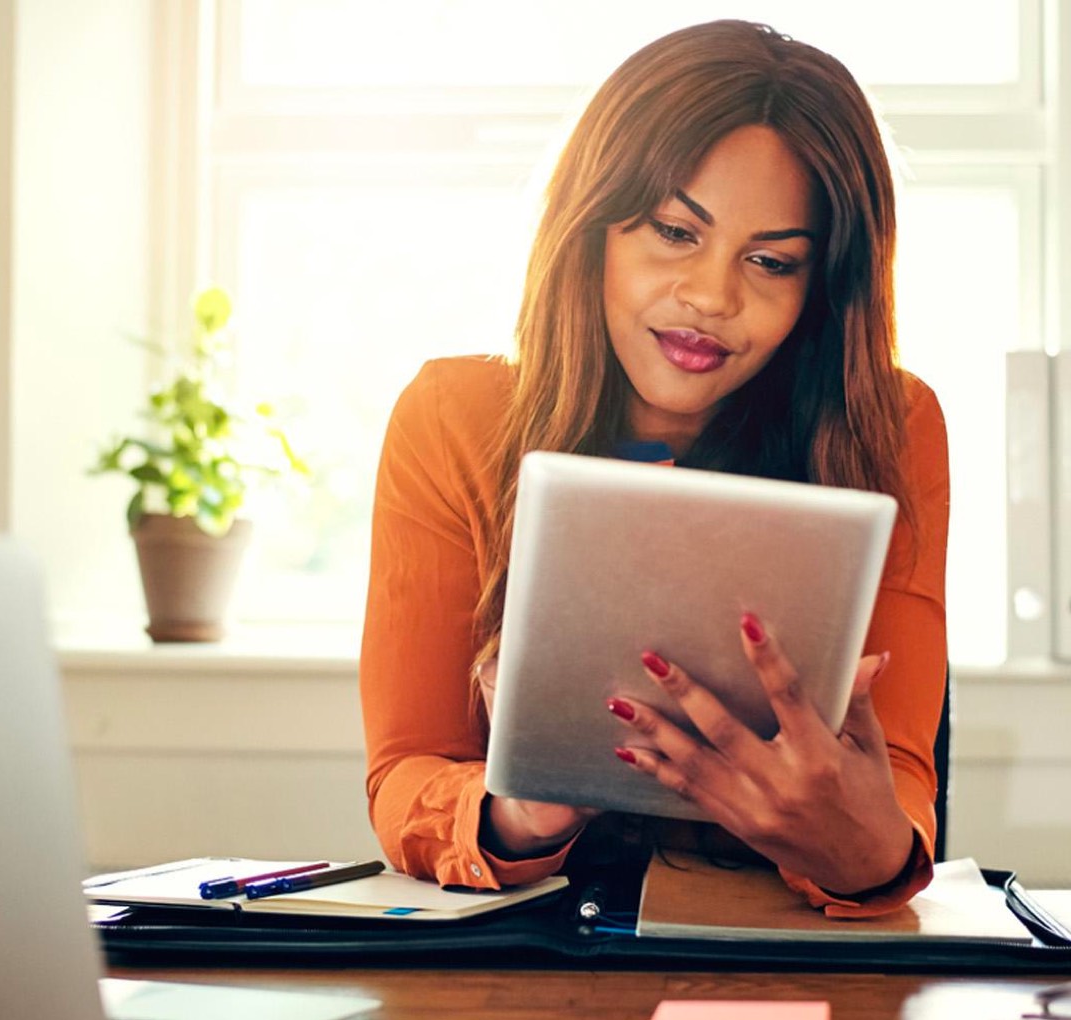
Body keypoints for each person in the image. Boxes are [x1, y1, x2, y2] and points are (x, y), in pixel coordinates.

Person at [359, 19, 949, 917]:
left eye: (772, 260)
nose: (713, 297)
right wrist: (520, 809)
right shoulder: (453, 418)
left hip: (781, 948)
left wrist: (865, 848)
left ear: (821, 286)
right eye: (675, 231)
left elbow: (900, 783)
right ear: (590, 224)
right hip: (532, 949)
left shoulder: (890, 425)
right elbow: (406, 771)